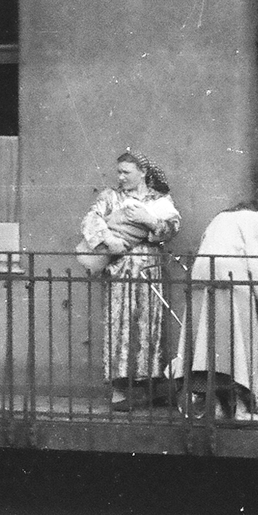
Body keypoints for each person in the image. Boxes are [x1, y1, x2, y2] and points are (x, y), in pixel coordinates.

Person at [175, 186, 258, 423]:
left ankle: (215, 407)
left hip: (202, 277)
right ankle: (241, 410)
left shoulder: (223, 216)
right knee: (239, 346)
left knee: (209, 347)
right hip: (233, 279)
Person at [79, 152, 181, 409]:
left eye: (126, 172)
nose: (120, 177)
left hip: (149, 269)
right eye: (119, 172)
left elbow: (172, 227)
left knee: (148, 324)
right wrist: (108, 239)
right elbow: (90, 219)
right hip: (120, 268)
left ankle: (148, 387)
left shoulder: (159, 199)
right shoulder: (110, 197)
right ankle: (120, 391)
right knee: (121, 323)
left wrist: (152, 222)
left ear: (143, 172)